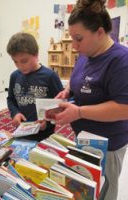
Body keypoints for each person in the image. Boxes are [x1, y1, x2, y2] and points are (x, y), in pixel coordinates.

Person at [55, 1, 128, 200]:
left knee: (104, 192)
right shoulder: (86, 54)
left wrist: (79, 112)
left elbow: (124, 108)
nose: (74, 46)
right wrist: (67, 90)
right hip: (84, 138)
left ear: (100, 32)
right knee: (85, 191)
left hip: (109, 145)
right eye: (72, 38)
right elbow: (79, 78)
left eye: (78, 39)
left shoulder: (121, 60)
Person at [6, 32, 63, 141]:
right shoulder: (14, 76)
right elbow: (11, 99)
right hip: (21, 132)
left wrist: (47, 122)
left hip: (44, 134)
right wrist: (15, 113)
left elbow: (60, 105)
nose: (20, 66)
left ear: (36, 55)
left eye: (24, 61)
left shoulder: (50, 76)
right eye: (15, 62)